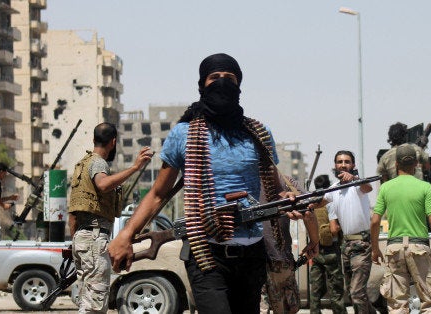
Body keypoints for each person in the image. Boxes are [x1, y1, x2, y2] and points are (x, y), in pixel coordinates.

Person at [108, 53, 318, 314]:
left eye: (230, 78)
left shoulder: (258, 132)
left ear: (239, 85)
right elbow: (158, 194)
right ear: (201, 85)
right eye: (214, 78)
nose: (222, 83)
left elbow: (275, 189)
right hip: (205, 252)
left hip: (252, 254)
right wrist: (126, 235)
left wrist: (289, 201)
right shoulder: (184, 134)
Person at [68, 123, 152, 313]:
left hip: (82, 238)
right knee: (94, 305)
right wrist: (135, 168)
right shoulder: (98, 163)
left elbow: (73, 212)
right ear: (113, 142)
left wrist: (75, 241)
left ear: (93, 140)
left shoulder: (82, 165)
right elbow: (104, 184)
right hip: (94, 239)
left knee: (87, 300)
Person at [371, 144, 431, 314]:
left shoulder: (386, 188)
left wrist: (375, 248)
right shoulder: (425, 187)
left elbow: (375, 221)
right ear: (416, 164)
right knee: (430, 300)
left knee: (397, 304)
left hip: (395, 248)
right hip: (419, 247)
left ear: (396, 164)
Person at [260, 175, 319, 314]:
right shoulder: (285, 180)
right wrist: (314, 241)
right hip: (279, 259)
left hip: (250, 257)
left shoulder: (239, 177)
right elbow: (308, 211)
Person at [325, 150, 375, 313]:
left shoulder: (358, 184)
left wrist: (354, 178)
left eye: (347, 161)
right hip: (346, 245)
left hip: (362, 244)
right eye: (340, 162)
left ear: (353, 165)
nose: (343, 165)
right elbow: (320, 202)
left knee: (356, 293)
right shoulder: (332, 189)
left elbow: (368, 188)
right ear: (335, 166)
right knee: (354, 293)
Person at [309, 174, 347, 314]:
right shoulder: (330, 202)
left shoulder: (311, 203)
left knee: (315, 292)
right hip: (331, 250)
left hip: (316, 249)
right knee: (336, 291)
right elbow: (334, 229)